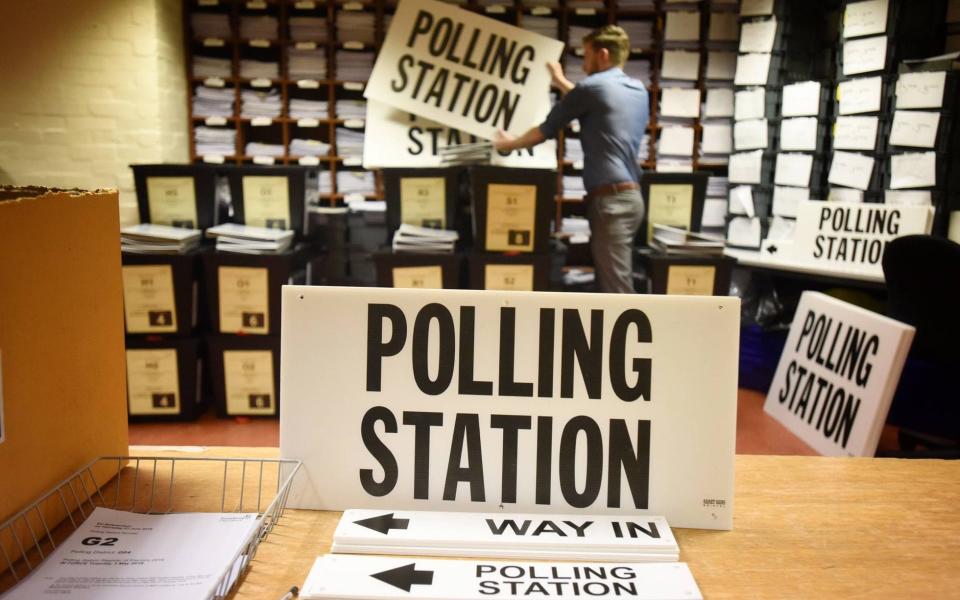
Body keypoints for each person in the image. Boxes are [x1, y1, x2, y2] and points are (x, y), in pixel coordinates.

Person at [494, 25, 650, 293]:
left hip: (610, 202)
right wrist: (560, 80)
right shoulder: (637, 90)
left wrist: (508, 143)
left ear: (602, 54)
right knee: (613, 280)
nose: (584, 61)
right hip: (632, 199)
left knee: (616, 288)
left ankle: (634, 335)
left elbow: (544, 131)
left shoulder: (591, 88)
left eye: (586, 54)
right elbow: (595, 100)